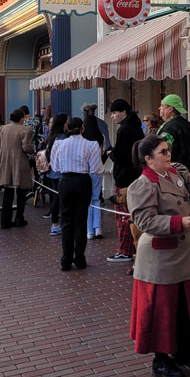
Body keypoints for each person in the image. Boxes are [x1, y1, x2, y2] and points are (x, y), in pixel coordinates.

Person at [127, 134, 190, 377]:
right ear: (148, 159)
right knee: (162, 309)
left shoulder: (175, 172)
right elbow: (144, 221)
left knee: (185, 304)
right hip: (160, 256)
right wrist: (177, 222)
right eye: (162, 152)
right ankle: (161, 359)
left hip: (182, 252)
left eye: (167, 150)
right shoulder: (143, 185)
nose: (168, 155)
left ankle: (184, 349)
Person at [50, 117, 104, 270]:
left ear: (68, 128)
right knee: (81, 220)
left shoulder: (59, 143)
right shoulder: (91, 144)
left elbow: (55, 166)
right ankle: (79, 258)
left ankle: (66, 260)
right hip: (82, 181)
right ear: (82, 128)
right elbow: (96, 168)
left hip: (66, 180)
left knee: (66, 220)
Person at [157, 94, 190, 253]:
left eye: (162, 106)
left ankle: (186, 249)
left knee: (180, 211)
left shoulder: (168, 129)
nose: (160, 109)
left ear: (171, 109)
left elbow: (163, 151)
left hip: (177, 175)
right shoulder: (188, 124)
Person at [106, 99, 143, 264]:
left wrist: (110, 153)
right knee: (134, 215)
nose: (112, 116)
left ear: (123, 112)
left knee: (123, 217)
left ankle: (125, 250)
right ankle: (135, 247)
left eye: (114, 112)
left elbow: (119, 154)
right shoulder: (136, 127)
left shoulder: (125, 129)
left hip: (124, 178)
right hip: (136, 176)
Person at [0, 109, 35, 229]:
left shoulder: (3, 128)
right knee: (21, 191)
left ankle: (5, 220)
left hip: (4, 160)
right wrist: (33, 149)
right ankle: (19, 217)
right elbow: (26, 147)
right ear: (22, 118)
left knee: (8, 192)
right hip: (19, 160)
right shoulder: (26, 130)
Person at [82, 113, 106, 240]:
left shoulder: (83, 139)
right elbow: (102, 152)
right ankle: (98, 228)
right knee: (96, 199)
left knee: (87, 201)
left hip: (86, 171)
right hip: (98, 170)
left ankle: (89, 230)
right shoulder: (100, 137)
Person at [44, 116, 69, 236]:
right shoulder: (62, 138)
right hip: (59, 172)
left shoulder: (51, 137)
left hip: (51, 172)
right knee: (59, 198)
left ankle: (54, 223)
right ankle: (56, 224)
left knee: (55, 197)